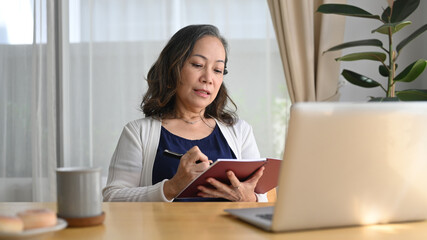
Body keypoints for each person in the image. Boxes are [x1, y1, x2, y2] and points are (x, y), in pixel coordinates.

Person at [102, 24, 267, 202]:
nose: (208, 78)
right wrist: (171, 187)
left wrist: (249, 198)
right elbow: (113, 198)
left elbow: (261, 198)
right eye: (197, 64)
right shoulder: (138, 133)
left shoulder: (240, 132)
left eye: (217, 70)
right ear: (173, 68)